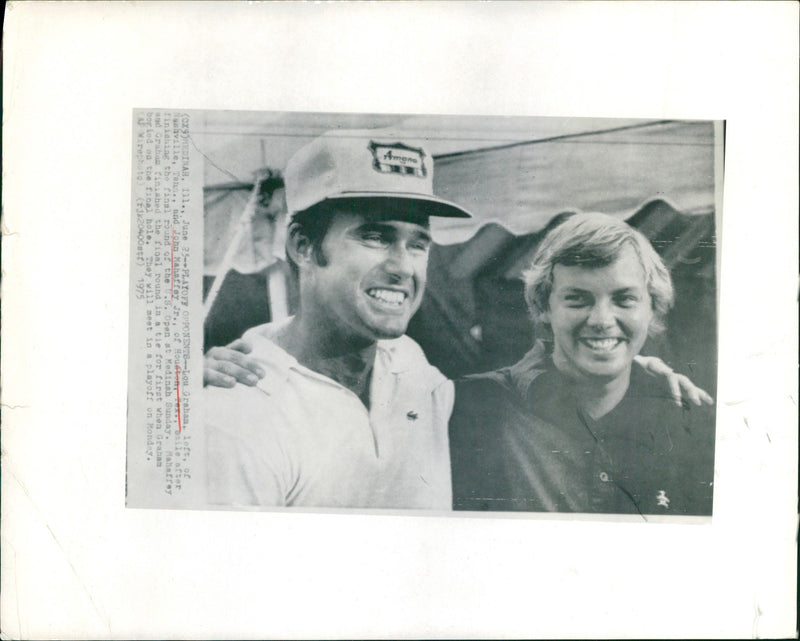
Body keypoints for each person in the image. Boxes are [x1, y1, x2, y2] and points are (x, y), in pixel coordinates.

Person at [203, 129, 471, 509]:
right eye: (375, 236)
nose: (403, 267)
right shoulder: (238, 414)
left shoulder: (413, 368)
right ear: (302, 245)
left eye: (418, 244)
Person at [448, 213, 716, 515]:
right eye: (578, 299)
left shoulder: (693, 421)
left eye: (624, 299)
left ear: (652, 308)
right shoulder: (473, 408)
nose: (601, 320)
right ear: (544, 306)